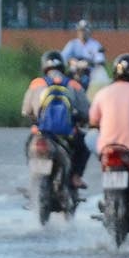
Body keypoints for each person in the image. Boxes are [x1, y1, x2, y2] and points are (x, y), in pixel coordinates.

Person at [24, 51, 90, 186]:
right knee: (83, 146)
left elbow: (25, 111)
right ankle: (76, 177)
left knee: (28, 146)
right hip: (67, 134)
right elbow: (85, 111)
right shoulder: (73, 84)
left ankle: (34, 178)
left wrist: (35, 118)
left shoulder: (36, 83)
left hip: (42, 132)